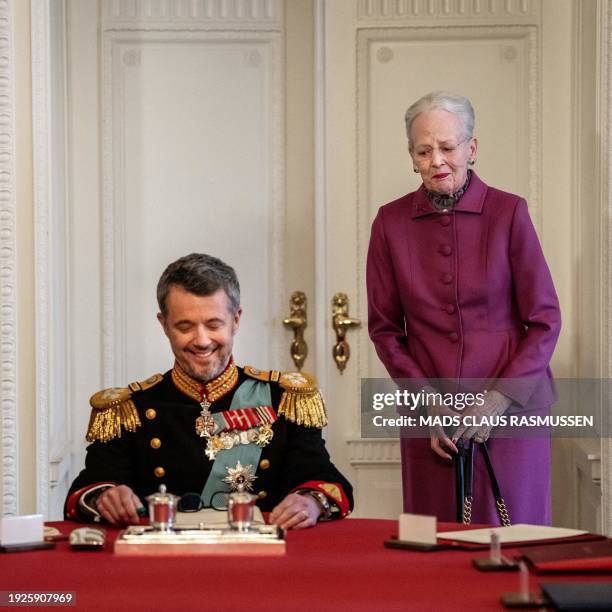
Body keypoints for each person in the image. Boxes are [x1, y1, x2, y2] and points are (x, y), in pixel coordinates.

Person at [366, 91, 561, 525]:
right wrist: (429, 401)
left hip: (512, 409)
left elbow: (545, 320)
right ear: (412, 156)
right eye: (424, 150)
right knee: (435, 542)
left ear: (471, 149)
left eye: (448, 147)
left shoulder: (509, 212)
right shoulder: (389, 223)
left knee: (510, 542)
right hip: (431, 414)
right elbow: (384, 330)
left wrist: (496, 400)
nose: (437, 160)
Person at [65, 253, 353, 529]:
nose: (201, 341)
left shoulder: (284, 400)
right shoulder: (130, 410)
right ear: (164, 325)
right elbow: (86, 491)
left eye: (214, 324)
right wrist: (105, 497)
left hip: (259, 562)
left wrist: (311, 503)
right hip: (161, 564)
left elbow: (325, 481)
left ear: (236, 320)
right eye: (185, 326)